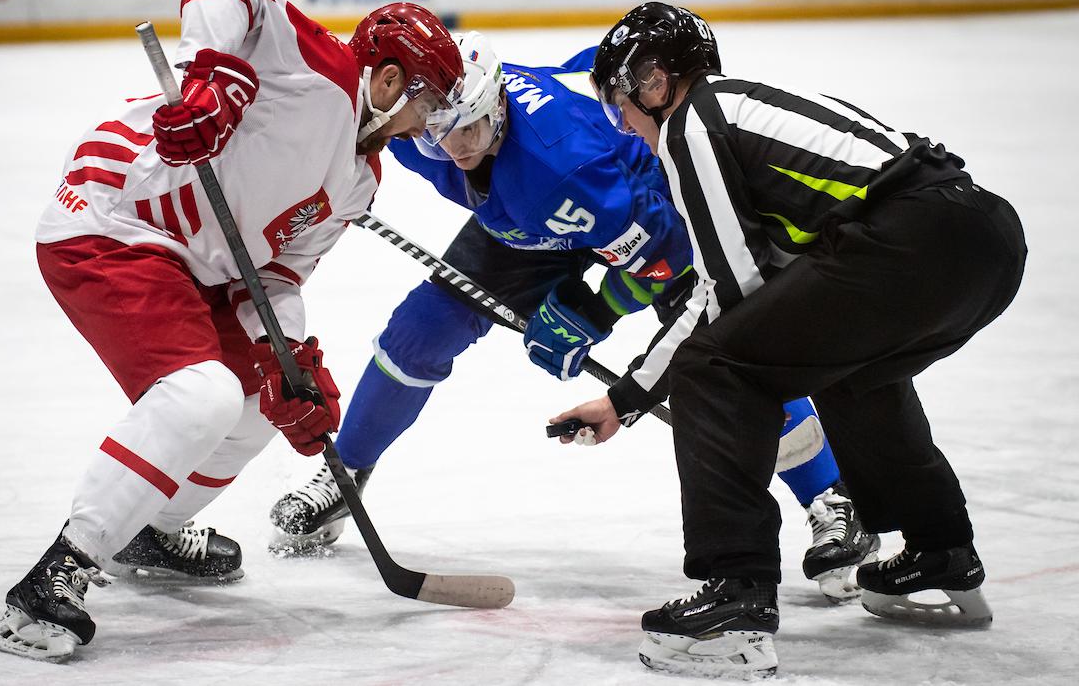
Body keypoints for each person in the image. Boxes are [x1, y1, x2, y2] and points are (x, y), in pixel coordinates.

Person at [268, 31, 878, 601]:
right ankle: (344, 475)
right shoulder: (420, 129)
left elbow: (664, 255)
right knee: (420, 331)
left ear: (497, 106)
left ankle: (830, 498)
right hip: (522, 219)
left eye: (471, 131)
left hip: (640, 209)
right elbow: (338, 120)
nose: (456, 150)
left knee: (725, 343)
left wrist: (592, 309)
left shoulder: (570, 166)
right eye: (439, 136)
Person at [0, 0, 463, 663]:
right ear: (389, 79)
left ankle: (150, 528)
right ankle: (54, 578)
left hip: (191, 263)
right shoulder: (321, 73)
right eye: (429, 101)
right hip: (113, 221)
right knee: (200, 395)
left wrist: (288, 356)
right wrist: (218, 78)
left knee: (264, 399)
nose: (429, 125)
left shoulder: (360, 182)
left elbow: (275, 274)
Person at [553, 2, 1026, 678]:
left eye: (619, 104)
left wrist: (641, 390)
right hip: (983, 240)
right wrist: (624, 398)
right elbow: (756, 297)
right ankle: (939, 550)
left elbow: (727, 300)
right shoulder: (742, 111)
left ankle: (737, 594)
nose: (622, 123)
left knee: (714, 369)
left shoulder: (694, 125)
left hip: (911, 239)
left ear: (654, 83)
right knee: (849, 370)